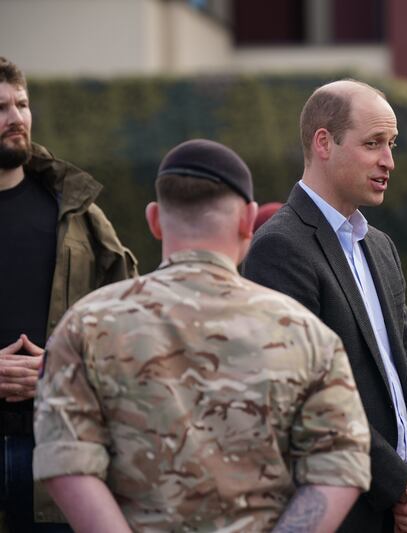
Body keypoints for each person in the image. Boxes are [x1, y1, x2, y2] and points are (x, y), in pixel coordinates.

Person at [33, 139, 372, 532]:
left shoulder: (85, 325)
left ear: (155, 219)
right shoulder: (307, 334)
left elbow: (64, 459)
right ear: (248, 219)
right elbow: (341, 463)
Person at [242, 79, 407, 533]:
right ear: (324, 142)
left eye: (391, 144)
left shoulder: (380, 246)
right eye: (373, 144)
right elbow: (307, 397)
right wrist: (402, 490)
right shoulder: (278, 248)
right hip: (343, 513)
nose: (388, 161)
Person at [0, 56, 136, 532]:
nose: (16, 118)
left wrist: (61, 369)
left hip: (63, 454)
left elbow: (130, 322)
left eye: (21, 104)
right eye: (0, 108)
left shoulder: (77, 211)